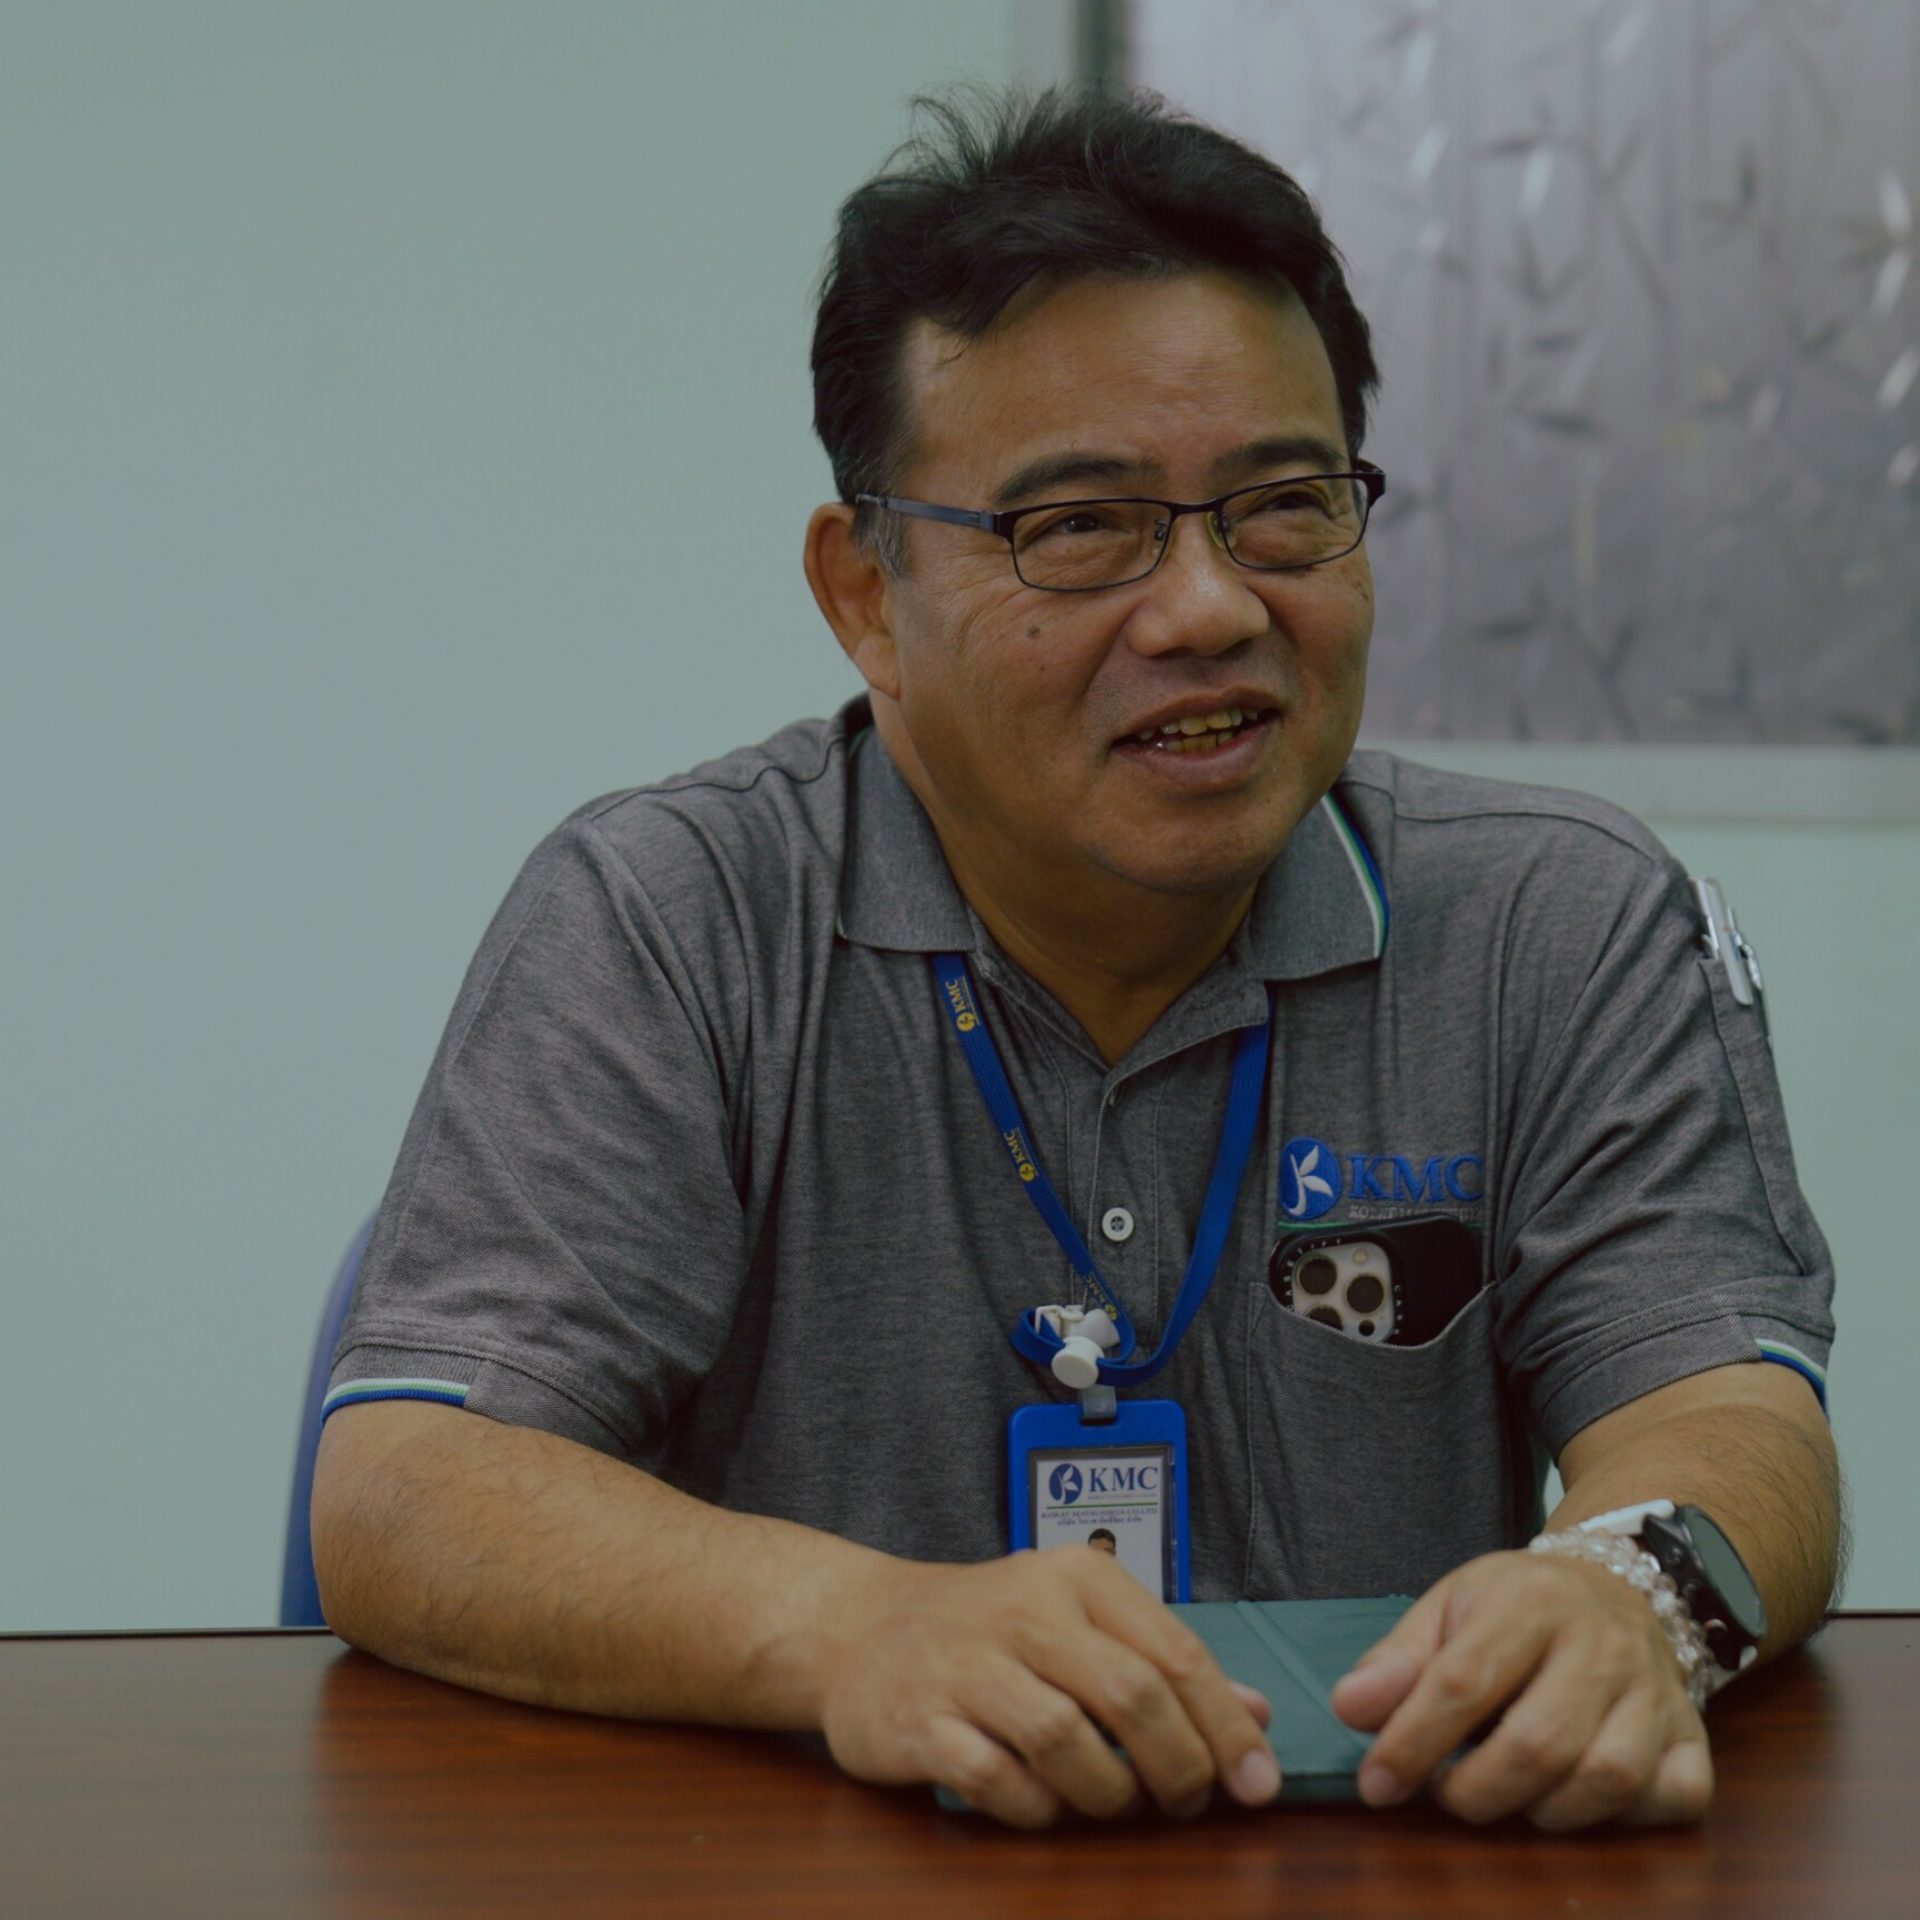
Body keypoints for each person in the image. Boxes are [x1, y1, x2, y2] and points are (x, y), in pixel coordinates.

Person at [312, 85, 1840, 1833]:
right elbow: (408, 1488)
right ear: (866, 595)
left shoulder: (1555, 923)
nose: (1208, 608)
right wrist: (853, 1625)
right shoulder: (671, 917)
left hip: (1389, 1855)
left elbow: (1737, 1417)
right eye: (1082, 527)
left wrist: (1630, 1594)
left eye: (1283, 504)